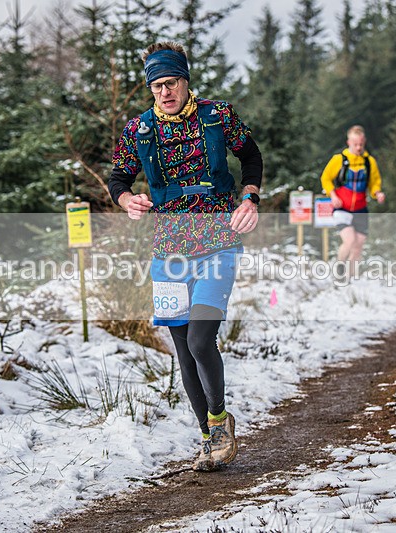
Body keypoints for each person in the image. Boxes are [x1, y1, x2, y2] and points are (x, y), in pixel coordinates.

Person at [107, 42, 262, 472]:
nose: (164, 92)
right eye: (156, 86)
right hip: (169, 253)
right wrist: (125, 199)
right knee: (182, 347)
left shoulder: (217, 116)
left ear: (185, 81)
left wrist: (249, 197)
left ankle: (219, 420)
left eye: (170, 83)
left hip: (218, 244)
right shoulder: (139, 130)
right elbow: (118, 176)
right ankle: (207, 439)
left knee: (200, 340)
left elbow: (250, 155)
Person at [319, 125, 385, 274]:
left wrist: (378, 193)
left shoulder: (369, 162)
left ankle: (350, 278)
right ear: (348, 142)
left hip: (361, 208)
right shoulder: (339, 160)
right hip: (342, 207)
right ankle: (340, 268)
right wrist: (333, 196)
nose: (359, 147)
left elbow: (374, 183)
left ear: (364, 142)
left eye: (361, 144)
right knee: (349, 241)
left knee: (358, 246)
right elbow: (326, 178)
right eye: (355, 144)